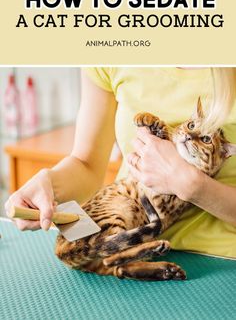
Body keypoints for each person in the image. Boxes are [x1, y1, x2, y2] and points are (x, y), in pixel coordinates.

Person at [5, 67, 236, 258]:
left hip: (221, 261)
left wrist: (191, 185)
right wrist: (48, 183)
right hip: (125, 247)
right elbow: (86, 164)